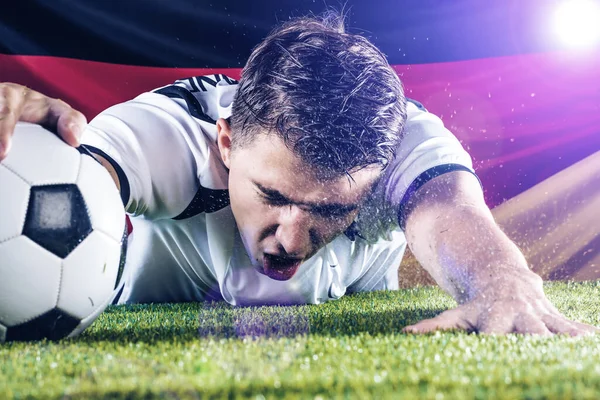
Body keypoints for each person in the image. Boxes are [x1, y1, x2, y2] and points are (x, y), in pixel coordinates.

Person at [0, 14, 597, 336]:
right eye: (274, 196)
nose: (289, 239)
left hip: (349, 302)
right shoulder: (164, 135)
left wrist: (499, 280)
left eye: (331, 210)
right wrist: (28, 154)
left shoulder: (405, 140)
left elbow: (453, 212)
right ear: (228, 143)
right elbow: (77, 183)